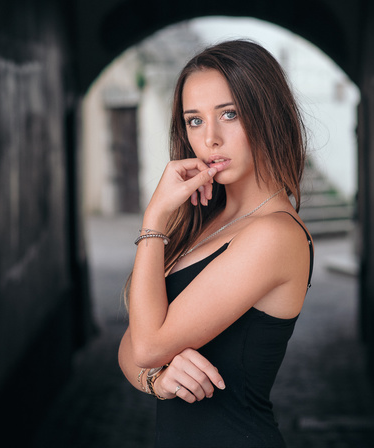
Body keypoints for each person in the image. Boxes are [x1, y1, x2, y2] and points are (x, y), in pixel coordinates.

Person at [118, 39, 314, 448]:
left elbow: (150, 344)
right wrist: (157, 379)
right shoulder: (204, 220)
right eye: (194, 120)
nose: (210, 138)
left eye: (229, 114)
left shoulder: (274, 234)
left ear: (267, 115)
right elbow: (133, 343)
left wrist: (153, 219)